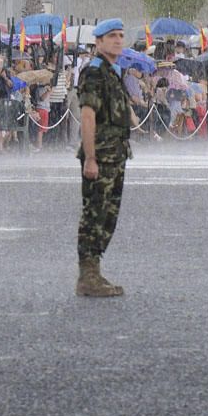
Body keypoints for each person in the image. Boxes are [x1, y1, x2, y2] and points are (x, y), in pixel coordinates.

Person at [76, 18, 131, 297]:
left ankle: (94, 271)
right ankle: (87, 275)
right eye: (111, 36)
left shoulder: (111, 72)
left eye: (121, 35)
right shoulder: (95, 72)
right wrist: (90, 157)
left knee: (108, 216)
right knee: (94, 214)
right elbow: (88, 116)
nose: (118, 40)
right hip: (100, 156)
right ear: (98, 42)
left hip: (115, 155)